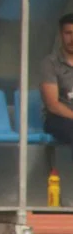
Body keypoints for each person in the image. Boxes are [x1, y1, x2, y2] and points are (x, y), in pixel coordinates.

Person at [40, 13, 73, 145]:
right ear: (61, 34)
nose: (72, 38)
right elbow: (52, 105)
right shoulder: (50, 63)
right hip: (58, 118)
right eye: (68, 33)